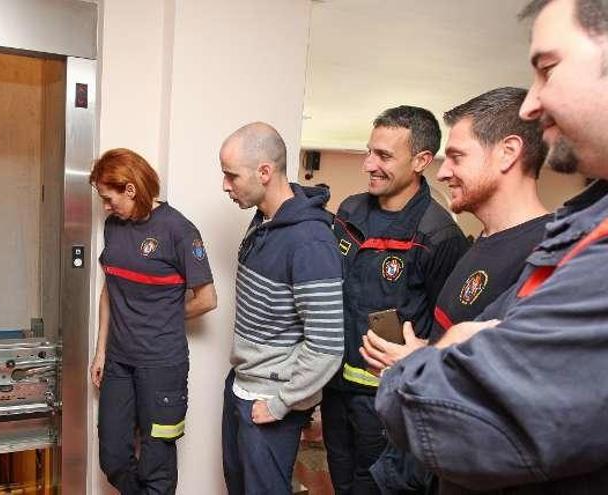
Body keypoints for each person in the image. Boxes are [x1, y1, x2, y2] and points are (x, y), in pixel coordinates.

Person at [375, 0, 608, 491]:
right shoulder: (504, 240)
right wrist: (445, 351)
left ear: (508, 153)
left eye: (548, 68)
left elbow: (460, 412)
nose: (531, 103)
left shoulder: (556, 247)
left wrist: (424, 365)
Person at [360, 87, 550, 493]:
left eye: (458, 157)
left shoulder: (544, 256)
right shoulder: (482, 241)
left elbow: (515, 394)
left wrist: (416, 361)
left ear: (508, 152)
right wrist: (417, 354)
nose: (443, 172)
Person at [323, 106, 469, 495]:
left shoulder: (440, 236)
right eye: (369, 151)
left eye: (384, 156)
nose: (369, 164)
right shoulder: (350, 209)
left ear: (421, 161)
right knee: (341, 482)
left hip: (386, 400)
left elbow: (447, 332)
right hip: (334, 388)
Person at [219, 122, 344, 495]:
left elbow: (326, 347)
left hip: (270, 401)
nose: (225, 185)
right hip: (242, 384)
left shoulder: (309, 241)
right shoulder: (263, 221)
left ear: (264, 172)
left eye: (231, 175)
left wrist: (280, 404)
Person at [90, 148, 217, 494]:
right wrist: (101, 351)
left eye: (108, 197)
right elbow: (109, 290)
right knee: (113, 457)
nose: (105, 206)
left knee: (156, 462)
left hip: (162, 365)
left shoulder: (179, 230)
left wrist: (164, 315)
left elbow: (207, 299)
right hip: (119, 361)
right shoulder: (113, 227)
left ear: (130, 189)